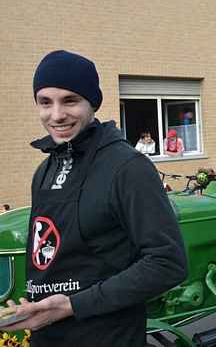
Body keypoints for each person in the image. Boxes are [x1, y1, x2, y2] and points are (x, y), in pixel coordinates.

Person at [0, 50, 187, 346]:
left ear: (93, 102)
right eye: (45, 102)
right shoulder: (45, 169)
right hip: (47, 336)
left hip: (107, 337)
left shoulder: (128, 167)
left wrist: (71, 306)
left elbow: (167, 263)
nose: (57, 115)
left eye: (70, 100)